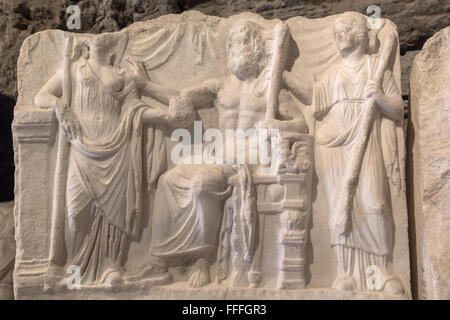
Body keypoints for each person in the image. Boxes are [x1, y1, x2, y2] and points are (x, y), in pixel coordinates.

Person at [134, 21, 308, 288]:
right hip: (216, 153)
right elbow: (181, 97)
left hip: (246, 159)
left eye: (241, 42)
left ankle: (201, 259)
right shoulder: (221, 86)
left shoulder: (270, 87)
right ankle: (159, 261)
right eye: (232, 43)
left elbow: (300, 124)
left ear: (256, 47)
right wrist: (145, 85)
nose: (234, 49)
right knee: (168, 180)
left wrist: (278, 125)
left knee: (201, 184)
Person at [34, 34, 179, 286]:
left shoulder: (123, 75)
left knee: (115, 213)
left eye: (108, 41)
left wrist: (165, 116)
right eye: (95, 40)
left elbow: (135, 109)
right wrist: (59, 105)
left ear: (114, 48)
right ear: (87, 45)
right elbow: (40, 96)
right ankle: (74, 267)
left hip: (117, 147)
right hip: (81, 147)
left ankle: (112, 267)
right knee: (76, 210)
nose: (101, 43)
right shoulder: (72, 70)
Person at [283, 12, 404, 294]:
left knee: (375, 203)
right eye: (337, 32)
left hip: (366, 140)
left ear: (361, 35)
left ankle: (382, 272)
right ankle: (345, 271)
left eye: (345, 31)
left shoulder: (377, 67)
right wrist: (284, 76)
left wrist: (380, 98)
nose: (339, 36)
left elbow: (397, 109)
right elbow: (314, 97)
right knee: (340, 207)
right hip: (332, 144)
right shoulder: (333, 73)